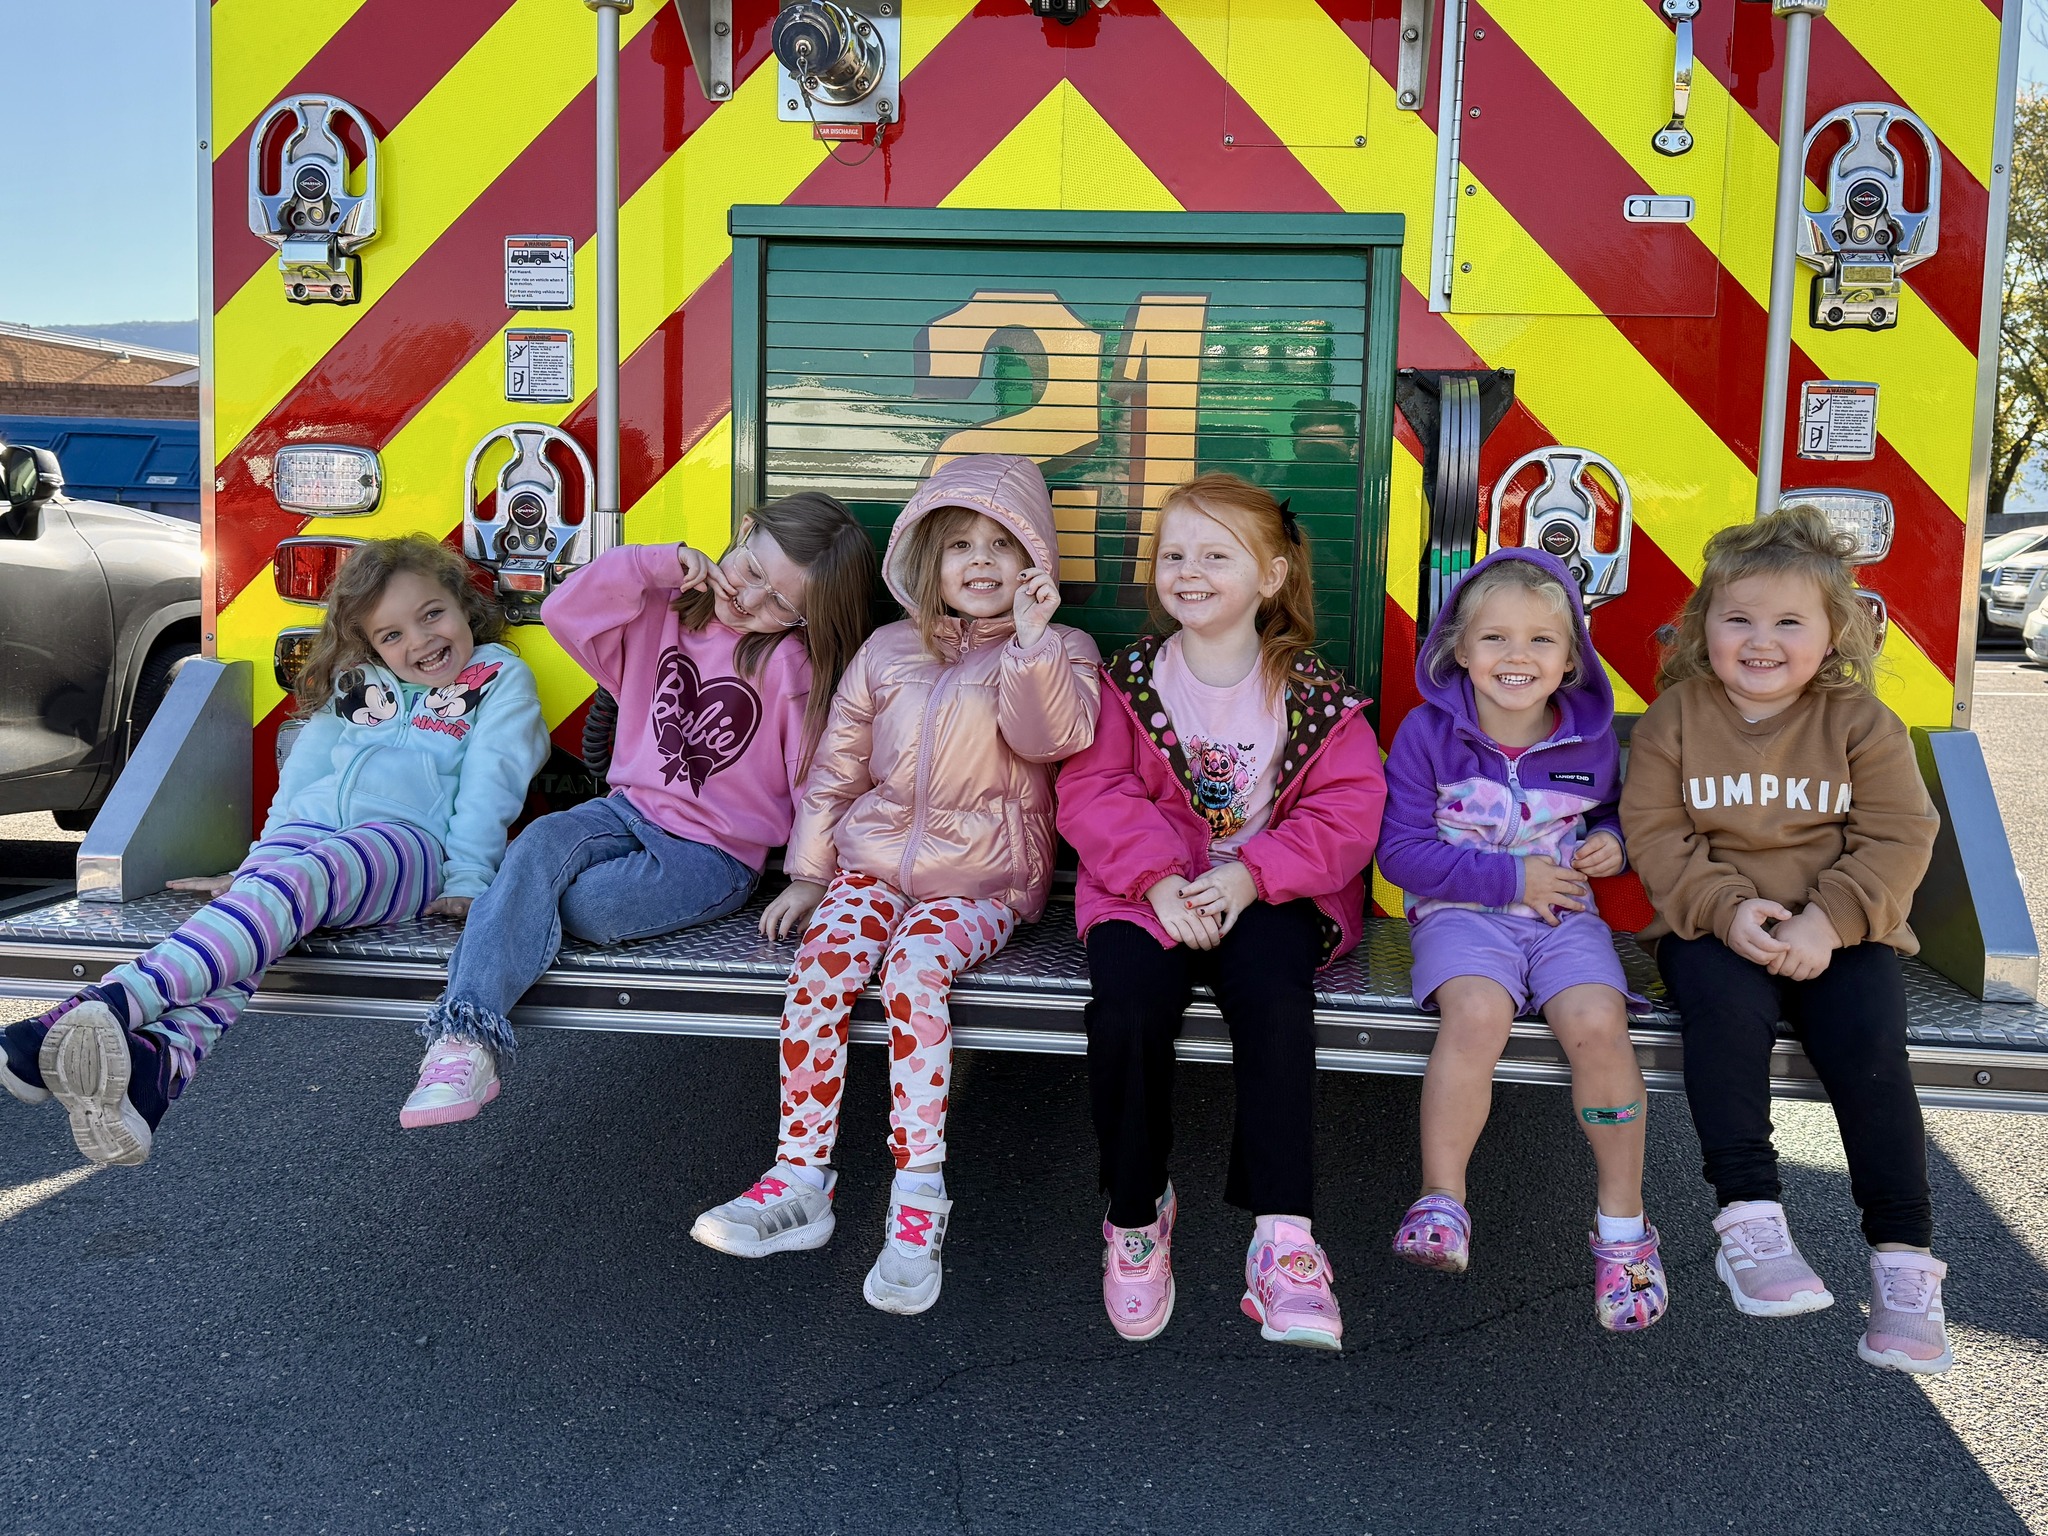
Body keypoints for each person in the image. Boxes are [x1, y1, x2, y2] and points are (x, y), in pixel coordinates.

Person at [690, 455, 1101, 1316]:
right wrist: (809, 875)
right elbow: (835, 772)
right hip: (872, 864)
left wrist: (1029, 643)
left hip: (984, 881)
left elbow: (1052, 739)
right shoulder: (886, 650)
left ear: (1034, 560)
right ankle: (800, 1179)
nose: (980, 562)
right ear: (925, 558)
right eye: (958, 545)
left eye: (1002, 544)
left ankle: (917, 1199)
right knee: (823, 966)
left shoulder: (1061, 651)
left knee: (915, 975)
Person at [0, 536, 547, 1166]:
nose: (420, 642)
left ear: (462, 602)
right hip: (309, 833)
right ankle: (156, 1070)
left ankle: (109, 1004)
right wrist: (254, 866)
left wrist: (471, 878)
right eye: (392, 635)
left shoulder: (500, 678)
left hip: (407, 845)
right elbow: (300, 783)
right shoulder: (356, 686)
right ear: (370, 645)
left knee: (301, 882)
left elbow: (491, 783)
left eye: (432, 614)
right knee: (264, 907)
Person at [396, 494, 878, 1127]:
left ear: (808, 620)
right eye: (754, 570)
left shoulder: (792, 669)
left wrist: (812, 877)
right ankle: (465, 1041)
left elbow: (820, 781)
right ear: (743, 531)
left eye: (782, 603)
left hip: (714, 853)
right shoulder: (664, 612)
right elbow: (566, 610)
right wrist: (659, 563)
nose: (752, 598)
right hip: (623, 811)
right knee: (538, 844)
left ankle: (511, 927)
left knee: (583, 905)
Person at [1056, 472, 1386, 1350]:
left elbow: (1348, 814)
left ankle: (1284, 1239)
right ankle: (1136, 1212)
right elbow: (1094, 792)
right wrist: (1160, 881)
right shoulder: (1129, 682)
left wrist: (1252, 876)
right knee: (1128, 1005)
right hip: (1152, 889)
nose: (1188, 571)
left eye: (1215, 554)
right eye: (1173, 554)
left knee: (1276, 1000)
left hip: (1270, 891)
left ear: (1271, 576)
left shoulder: (1313, 693)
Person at [1623, 506, 1950, 1373]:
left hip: (1840, 932)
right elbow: (1655, 835)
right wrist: (1727, 908)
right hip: (1714, 926)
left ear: (1833, 632)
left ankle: (1904, 1263)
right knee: (1722, 1024)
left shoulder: (1858, 722)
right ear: (1703, 628)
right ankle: (1752, 1224)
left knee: (1872, 1053)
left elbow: (1898, 834)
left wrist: (1830, 922)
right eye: (1738, 619)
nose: (1759, 641)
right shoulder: (1676, 719)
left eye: (1787, 622)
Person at [1376, 549, 1667, 1333]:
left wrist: (1612, 842)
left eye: (1541, 641)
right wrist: (1513, 881)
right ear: (1459, 651)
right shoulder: (1425, 736)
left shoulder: (1591, 742)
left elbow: (1605, 816)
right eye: (1495, 639)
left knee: (1599, 1026)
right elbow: (1399, 854)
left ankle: (1623, 1230)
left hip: (1566, 921)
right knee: (1475, 1016)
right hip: (1461, 918)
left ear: (1571, 659)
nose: (1517, 657)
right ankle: (1443, 1201)